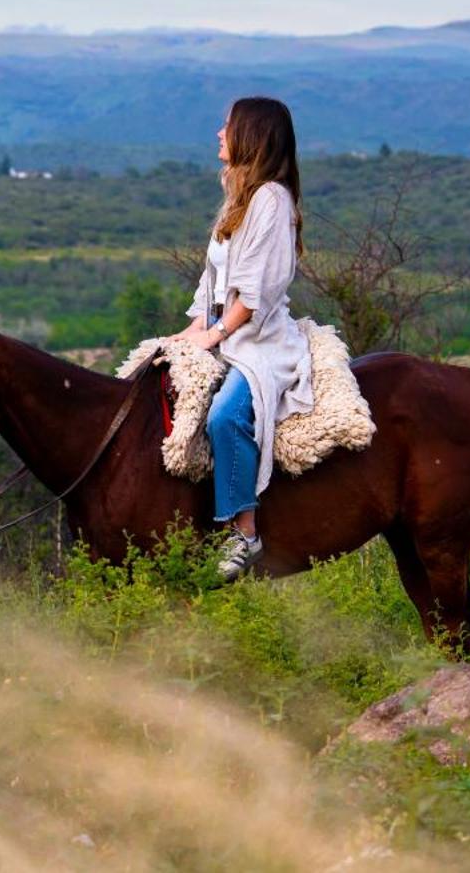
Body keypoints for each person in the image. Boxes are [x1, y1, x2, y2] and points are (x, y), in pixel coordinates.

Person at [168, 96, 314, 580]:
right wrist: (188, 333)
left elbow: (253, 296)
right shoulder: (240, 197)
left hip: (257, 340)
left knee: (225, 416)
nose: (218, 133)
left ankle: (245, 532)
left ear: (250, 135)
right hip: (222, 330)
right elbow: (212, 281)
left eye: (227, 126)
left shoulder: (271, 200)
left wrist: (214, 335)